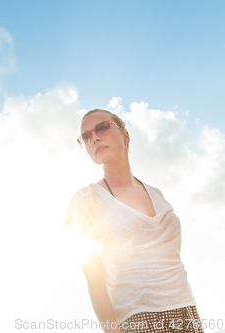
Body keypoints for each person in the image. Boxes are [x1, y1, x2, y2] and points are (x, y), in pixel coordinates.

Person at [64, 109, 204, 333]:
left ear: (125, 136)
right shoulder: (86, 199)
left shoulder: (156, 193)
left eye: (102, 128)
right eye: (86, 137)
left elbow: (172, 254)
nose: (95, 138)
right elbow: (94, 278)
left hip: (186, 312)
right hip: (136, 318)